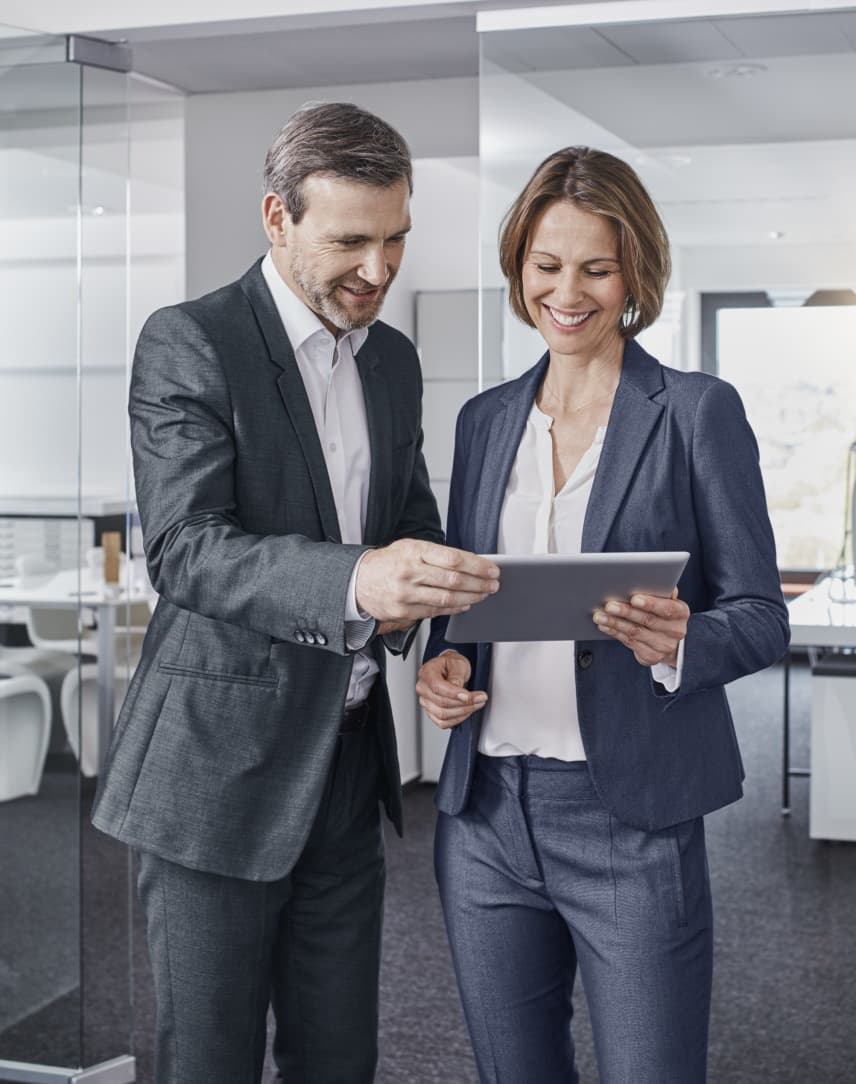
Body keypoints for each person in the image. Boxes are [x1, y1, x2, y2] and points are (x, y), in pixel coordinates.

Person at [91, 101, 499, 1084]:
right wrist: (359, 577)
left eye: (396, 237)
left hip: (348, 772)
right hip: (214, 780)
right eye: (350, 240)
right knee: (212, 1061)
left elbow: (413, 520)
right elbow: (187, 549)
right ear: (276, 218)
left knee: (336, 1058)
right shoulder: (192, 342)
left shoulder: (392, 361)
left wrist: (437, 627)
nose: (379, 268)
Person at [417, 146, 789, 1084]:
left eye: (596, 267)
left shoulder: (696, 411)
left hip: (631, 812)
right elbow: (467, 598)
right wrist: (442, 663)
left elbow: (758, 612)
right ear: (519, 269)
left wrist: (684, 641)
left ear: (635, 274)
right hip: (486, 814)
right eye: (546, 266)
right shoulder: (485, 420)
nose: (567, 292)